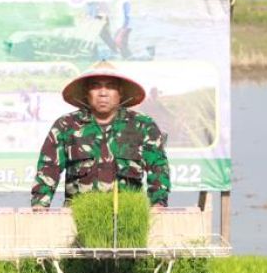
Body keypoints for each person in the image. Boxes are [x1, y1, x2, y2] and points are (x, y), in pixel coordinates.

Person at [30, 62, 170, 208]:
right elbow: (48, 168)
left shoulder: (143, 125)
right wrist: (40, 205)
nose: (103, 93)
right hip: (76, 217)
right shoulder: (66, 125)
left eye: (110, 86)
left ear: (120, 92)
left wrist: (158, 203)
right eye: (96, 86)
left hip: (128, 217)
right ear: (86, 92)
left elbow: (159, 167)